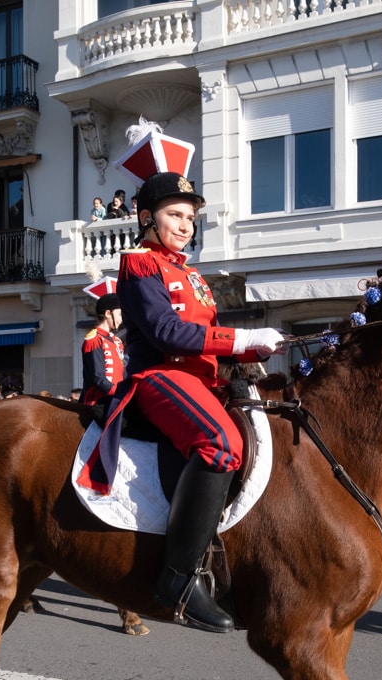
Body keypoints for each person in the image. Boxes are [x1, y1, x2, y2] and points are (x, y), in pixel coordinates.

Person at [79, 147, 284, 634]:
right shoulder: (139, 264)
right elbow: (167, 333)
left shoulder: (192, 274)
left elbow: (208, 338)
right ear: (147, 218)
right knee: (222, 444)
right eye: (175, 215)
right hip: (160, 377)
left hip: (204, 379)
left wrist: (251, 352)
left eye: (190, 217)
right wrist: (240, 338)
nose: (186, 225)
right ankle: (178, 579)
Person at [81, 293, 127, 405]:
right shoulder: (94, 339)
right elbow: (98, 378)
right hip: (98, 401)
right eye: (119, 314)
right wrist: (120, 393)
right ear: (108, 313)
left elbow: (122, 373)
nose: (121, 319)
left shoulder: (117, 341)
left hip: (116, 398)